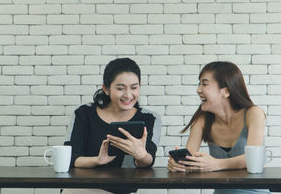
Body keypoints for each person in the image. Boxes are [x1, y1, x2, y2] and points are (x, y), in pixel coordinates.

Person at [167, 61, 269, 194]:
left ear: (225, 91)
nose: (198, 90)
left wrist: (216, 164)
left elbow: (254, 159)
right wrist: (180, 164)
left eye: (204, 84)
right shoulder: (202, 119)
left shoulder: (253, 113)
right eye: (199, 84)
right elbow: (191, 159)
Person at [63, 57, 161, 194]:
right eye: (120, 88)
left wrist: (140, 155)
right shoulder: (84, 113)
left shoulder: (149, 118)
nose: (128, 95)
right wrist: (97, 160)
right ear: (106, 89)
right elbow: (69, 158)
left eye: (134, 87)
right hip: (81, 188)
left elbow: (148, 160)